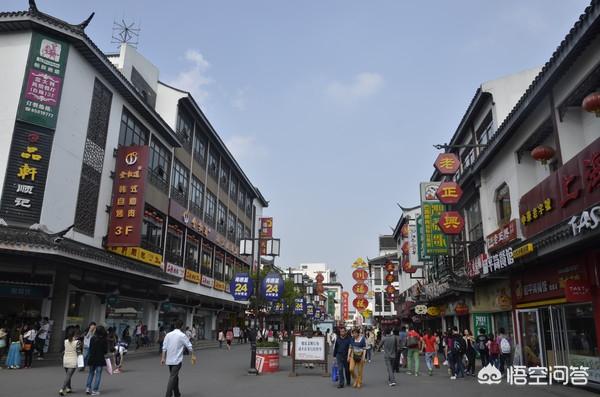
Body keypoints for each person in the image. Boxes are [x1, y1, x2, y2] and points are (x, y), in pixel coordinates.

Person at [162, 319, 196, 397]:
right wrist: (193, 355)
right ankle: (168, 395)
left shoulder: (168, 335)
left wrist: (163, 358)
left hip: (169, 360)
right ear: (182, 326)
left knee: (174, 376)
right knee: (173, 377)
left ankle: (177, 394)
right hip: (177, 361)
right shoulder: (182, 335)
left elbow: (164, 347)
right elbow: (189, 346)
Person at [59, 327, 82, 395]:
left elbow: (63, 350)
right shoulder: (78, 342)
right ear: (75, 334)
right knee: (68, 375)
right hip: (73, 360)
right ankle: (62, 388)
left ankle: (69, 388)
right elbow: (79, 352)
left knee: (68, 375)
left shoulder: (65, 341)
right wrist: (81, 362)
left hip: (65, 359)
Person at [86, 325, 108, 396]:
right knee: (98, 375)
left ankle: (88, 388)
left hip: (92, 358)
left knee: (91, 373)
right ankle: (95, 390)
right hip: (100, 359)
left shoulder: (92, 338)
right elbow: (105, 351)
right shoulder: (104, 340)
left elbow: (90, 348)